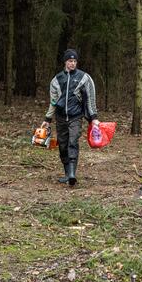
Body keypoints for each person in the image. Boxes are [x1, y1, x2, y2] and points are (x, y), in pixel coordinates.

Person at [41, 49, 99, 186]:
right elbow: (53, 102)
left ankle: (72, 174)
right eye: (70, 61)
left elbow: (91, 99)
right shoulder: (56, 80)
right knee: (62, 145)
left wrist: (94, 117)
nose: (72, 63)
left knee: (73, 142)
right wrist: (47, 119)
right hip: (60, 118)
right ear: (65, 62)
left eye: (74, 61)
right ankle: (67, 173)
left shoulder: (84, 78)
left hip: (76, 116)